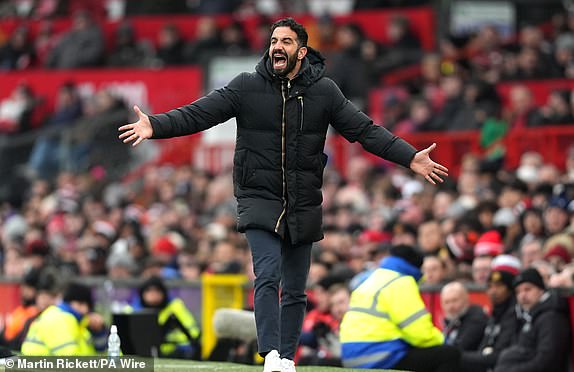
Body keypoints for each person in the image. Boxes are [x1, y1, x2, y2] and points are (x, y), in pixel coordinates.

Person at [119, 18, 448, 372]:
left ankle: (287, 358)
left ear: (301, 52)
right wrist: (156, 125)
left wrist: (409, 157)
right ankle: (271, 355)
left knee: (295, 288)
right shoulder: (246, 86)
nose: (277, 46)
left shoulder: (325, 91)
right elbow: (200, 114)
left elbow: (364, 131)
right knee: (268, 274)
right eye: (274, 40)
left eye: (287, 41)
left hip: (303, 200)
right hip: (258, 196)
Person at [339, 245, 460, 371]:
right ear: (416, 267)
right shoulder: (401, 282)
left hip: (351, 356)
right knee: (449, 354)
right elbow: (420, 333)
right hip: (380, 357)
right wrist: (444, 340)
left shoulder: (371, 279)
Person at [494, 268, 571, 372]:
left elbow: (547, 362)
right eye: (518, 291)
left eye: (528, 289)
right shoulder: (526, 315)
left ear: (541, 290)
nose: (522, 295)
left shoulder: (551, 317)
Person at [21, 282, 107, 356]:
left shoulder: (80, 323)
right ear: (69, 302)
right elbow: (69, 360)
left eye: (87, 306)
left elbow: (103, 355)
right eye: (80, 303)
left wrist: (98, 332)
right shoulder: (60, 319)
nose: (85, 309)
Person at [460, 264, 520, 372]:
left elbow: (499, 354)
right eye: (490, 286)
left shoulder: (514, 314)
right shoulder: (495, 314)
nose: (493, 291)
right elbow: (484, 347)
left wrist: (458, 356)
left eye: (499, 286)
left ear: (510, 289)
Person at [133, 276, 200, 359]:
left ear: (163, 293)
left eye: (157, 290)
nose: (153, 294)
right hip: (141, 355)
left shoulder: (176, 307)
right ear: (142, 293)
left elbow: (193, 333)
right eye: (149, 290)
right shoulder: (132, 310)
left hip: (176, 353)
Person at [440, 281, 488, 352]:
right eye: (446, 302)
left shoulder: (476, 319)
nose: (451, 306)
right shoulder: (451, 320)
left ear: (466, 299)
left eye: (454, 300)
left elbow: (461, 347)